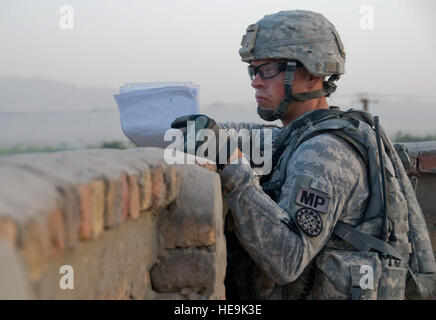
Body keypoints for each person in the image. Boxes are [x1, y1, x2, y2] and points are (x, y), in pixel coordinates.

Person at [171, 10, 436, 300]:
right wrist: (208, 130)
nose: (256, 82)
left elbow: (287, 261)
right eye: (253, 70)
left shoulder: (326, 151)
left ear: (312, 72)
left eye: (268, 70)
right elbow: (260, 138)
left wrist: (233, 167)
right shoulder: (306, 133)